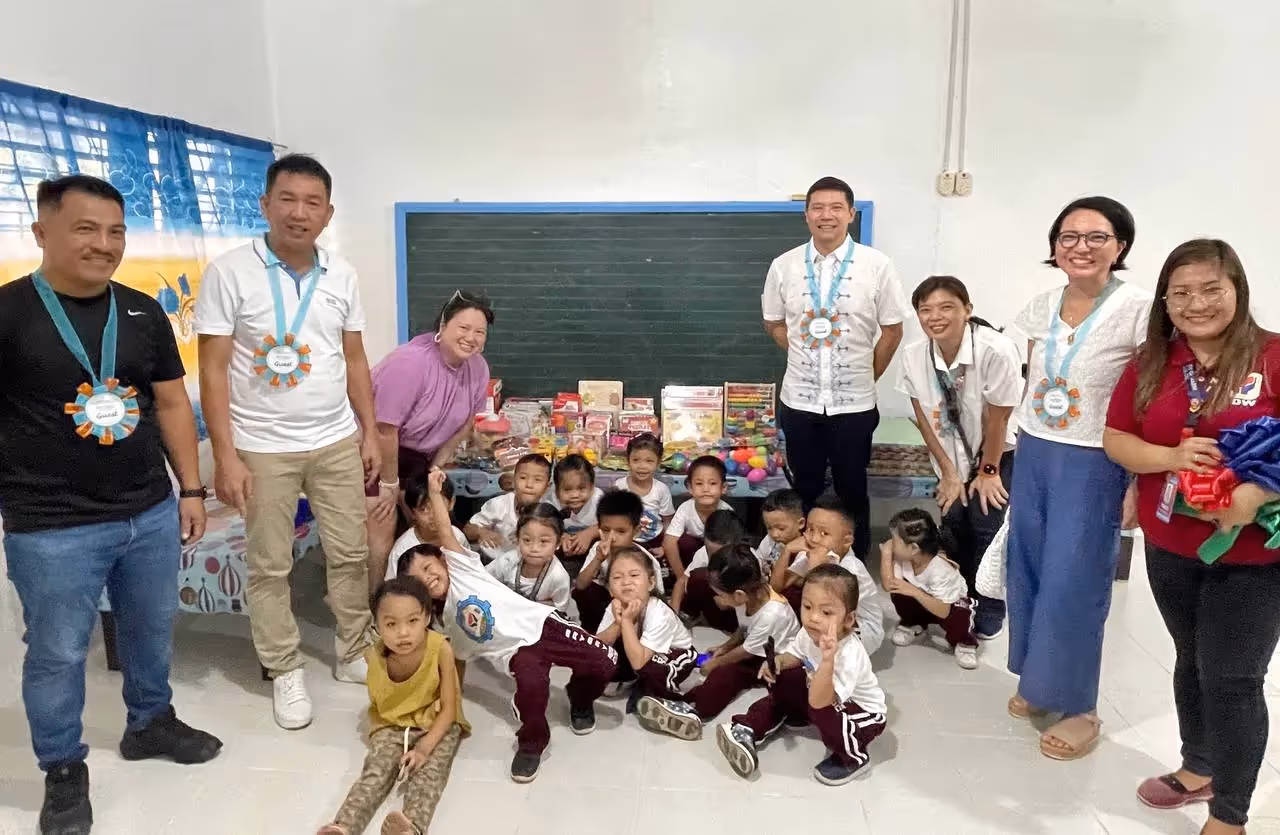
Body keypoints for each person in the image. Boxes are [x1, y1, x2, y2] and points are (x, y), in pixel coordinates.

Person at [0, 175, 221, 835]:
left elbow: (174, 402)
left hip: (148, 511)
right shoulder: (8, 315)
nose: (105, 244)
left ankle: (150, 721)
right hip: (51, 525)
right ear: (43, 233)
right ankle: (64, 770)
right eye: (86, 228)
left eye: (116, 231)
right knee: (59, 651)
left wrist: (193, 487)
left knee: (151, 629)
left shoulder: (142, 310)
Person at [196, 154, 379, 731]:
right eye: (288, 199)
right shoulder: (229, 272)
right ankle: (284, 666)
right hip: (263, 446)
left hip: (335, 441)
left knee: (349, 552)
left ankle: (352, 649)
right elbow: (213, 370)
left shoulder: (342, 274)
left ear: (328, 212)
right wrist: (225, 455)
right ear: (266, 205)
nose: (300, 213)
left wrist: (369, 431)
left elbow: (353, 357)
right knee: (270, 566)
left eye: (313, 203)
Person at [1104, 239, 1280, 835]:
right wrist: (1170, 454)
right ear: (1164, 300)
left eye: (1211, 289)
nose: (1196, 303)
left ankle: (1229, 815)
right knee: (1191, 660)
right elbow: (1117, 439)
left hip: (1256, 556)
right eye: (1180, 292)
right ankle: (1199, 765)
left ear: (1238, 290)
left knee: (1233, 678)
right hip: (1171, 543)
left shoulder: (1273, 357)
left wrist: (1258, 497)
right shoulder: (1153, 362)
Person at [1005, 196, 1152, 761]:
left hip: (1095, 460)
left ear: (1120, 245)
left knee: (1077, 580)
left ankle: (1080, 706)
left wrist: (1138, 477)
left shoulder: (1139, 309)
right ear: (1054, 247)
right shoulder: (1041, 304)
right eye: (1069, 237)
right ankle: (1040, 682)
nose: (1081, 247)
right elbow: (1031, 379)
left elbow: (1151, 394)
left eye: (1097, 236)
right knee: (1031, 568)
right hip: (1038, 450)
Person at [401, 469, 617, 783]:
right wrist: (449, 700)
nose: (427, 577)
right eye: (417, 578)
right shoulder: (436, 621)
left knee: (606, 661)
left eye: (428, 567)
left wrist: (435, 493)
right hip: (515, 654)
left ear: (443, 561)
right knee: (532, 688)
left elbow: (446, 531)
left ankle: (580, 698)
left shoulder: (463, 570)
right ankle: (532, 743)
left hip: (544, 625)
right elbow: (456, 659)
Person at [762, 175, 905, 560]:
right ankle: (806, 565)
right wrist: (798, 350)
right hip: (800, 401)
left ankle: (852, 565)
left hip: (854, 404)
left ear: (851, 214)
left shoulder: (877, 266)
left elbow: (893, 329)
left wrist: (865, 375)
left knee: (851, 489)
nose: (827, 215)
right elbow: (774, 321)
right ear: (806, 215)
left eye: (836, 207)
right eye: (818, 208)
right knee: (805, 488)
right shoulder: (784, 266)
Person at [896, 275, 1022, 639]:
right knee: (953, 528)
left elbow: (997, 418)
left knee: (988, 530)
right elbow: (922, 418)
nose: (936, 316)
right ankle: (957, 602)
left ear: (967, 309)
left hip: (996, 457)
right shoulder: (914, 355)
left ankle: (989, 611)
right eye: (926, 310)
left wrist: (987, 471)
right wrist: (949, 473)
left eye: (947, 307)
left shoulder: (995, 349)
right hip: (949, 459)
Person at [317, 576, 468, 835]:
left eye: (412, 621)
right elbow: (382, 702)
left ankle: (412, 828)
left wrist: (423, 748)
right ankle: (343, 827)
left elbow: (450, 709)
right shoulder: (374, 655)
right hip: (391, 723)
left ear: (427, 618)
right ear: (376, 626)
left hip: (437, 722)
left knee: (429, 775)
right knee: (374, 773)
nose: (403, 632)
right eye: (391, 624)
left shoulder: (440, 649)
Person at [716, 564, 887, 786]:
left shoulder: (849, 653)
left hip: (859, 711)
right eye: (807, 606)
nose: (813, 617)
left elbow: (823, 701)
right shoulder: (808, 633)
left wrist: (827, 660)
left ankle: (854, 758)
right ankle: (750, 727)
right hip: (819, 694)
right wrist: (778, 662)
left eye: (826, 612)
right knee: (785, 676)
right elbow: (795, 655)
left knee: (823, 711)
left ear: (848, 619)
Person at [367, 290, 493, 583]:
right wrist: (389, 484)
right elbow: (385, 429)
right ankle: (375, 602)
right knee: (383, 526)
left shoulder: (478, 368)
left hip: (417, 457)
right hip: (372, 449)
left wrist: (435, 469)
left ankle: (421, 599)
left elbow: (465, 423)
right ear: (443, 326)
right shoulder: (410, 363)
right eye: (463, 328)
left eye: (480, 332)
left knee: (428, 520)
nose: (471, 338)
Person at [636, 543, 800, 740]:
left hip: (775, 661)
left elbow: (746, 651)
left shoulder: (772, 614)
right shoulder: (749, 596)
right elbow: (744, 629)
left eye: (720, 595)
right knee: (715, 663)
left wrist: (715, 663)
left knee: (725, 674)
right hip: (756, 649)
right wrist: (724, 647)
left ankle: (696, 713)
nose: (717, 599)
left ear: (738, 595)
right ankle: (685, 702)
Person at [771, 495, 885, 655]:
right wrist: (787, 550)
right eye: (810, 530)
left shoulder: (852, 567)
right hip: (830, 616)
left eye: (824, 533)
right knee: (788, 597)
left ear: (846, 541)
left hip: (859, 628)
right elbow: (776, 587)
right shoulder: (814, 550)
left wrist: (816, 566)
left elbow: (825, 605)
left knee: (819, 612)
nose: (814, 538)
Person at [595, 546, 697, 711]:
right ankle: (639, 685)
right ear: (610, 589)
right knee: (603, 660)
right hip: (642, 651)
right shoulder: (614, 606)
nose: (626, 582)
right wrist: (618, 623)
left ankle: (674, 702)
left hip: (675, 655)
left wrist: (626, 621)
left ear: (650, 583)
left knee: (652, 670)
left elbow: (639, 662)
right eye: (617, 577)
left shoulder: (659, 612)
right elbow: (597, 645)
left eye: (634, 575)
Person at [880, 509, 979, 670]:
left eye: (894, 540)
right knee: (899, 591)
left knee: (960, 613)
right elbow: (888, 585)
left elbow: (944, 611)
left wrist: (914, 592)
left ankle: (965, 642)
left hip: (947, 605)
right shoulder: (903, 558)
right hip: (924, 602)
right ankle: (914, 623)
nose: (890, 544)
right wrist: (886, 554)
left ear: (913, 548)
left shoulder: (940, 569)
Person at [574, 490, 657, 632]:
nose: (612, 537)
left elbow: (654, 600)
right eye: (606, 530)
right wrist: (598, 559)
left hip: (633, 609)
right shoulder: (598, 548)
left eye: (621, 531)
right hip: (605, 603)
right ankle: (590, 634)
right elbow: (580, 585)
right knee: (586, 592)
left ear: (636, 531)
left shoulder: (645, 560)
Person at [463, 453, 552, 562]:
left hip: (528, 564)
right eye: (523, 477)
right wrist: (481, 532)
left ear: (547, 487)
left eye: (537, 480)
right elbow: (467, 530)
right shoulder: (498, 504)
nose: (529, 484)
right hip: (492, 561)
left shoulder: (549, 512)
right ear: (514, 481)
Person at [484, 503, 573, 612]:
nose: (534, 548)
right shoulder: (507, 561)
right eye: (527, 540)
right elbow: (483, 579)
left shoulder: (559, 577)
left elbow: (559, 611)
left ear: (558, 542)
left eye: (543, 541)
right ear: (517, 538)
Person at [664, 455, 733, 594]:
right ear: (690, 487)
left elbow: (729, 549)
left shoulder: (726, 512)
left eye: (712, 483)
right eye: (699, 483)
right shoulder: (685, 508)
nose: (706, 489)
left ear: (723, 488)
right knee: (684, 541)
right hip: (692, 552)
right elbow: (669, 543)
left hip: (715, 554)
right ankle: (681, 577)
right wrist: (681, 576)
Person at [385, 474, 473, 579]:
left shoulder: (457, 536)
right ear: (413, 513)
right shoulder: (402, 549)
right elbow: (395, 589)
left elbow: (469, 572)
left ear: (451, 503)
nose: (433, 515)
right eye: (423, 509)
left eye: (437, 505)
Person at [676, 509, 746, 632]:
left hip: (739, 614)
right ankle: (690, 616)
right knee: (697, 577)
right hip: (716, 607)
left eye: (722, 555)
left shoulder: (748, 561)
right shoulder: (702, 554)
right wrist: (673, 614)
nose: (715, 559)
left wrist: (731, 604)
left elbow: (755, 603)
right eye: (711, 554)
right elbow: (682, 582)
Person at [619, 433, 675, 548]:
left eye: (649, 461)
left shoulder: (661, 489)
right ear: (628, 461)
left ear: (658, 463)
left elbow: (667, 521)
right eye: (636, 460)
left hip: (655, 540)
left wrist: (664, 546)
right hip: (627, 541)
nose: (642, 466)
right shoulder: (619, 486)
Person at [549, 454, 604, 558]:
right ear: (556, 491)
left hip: (595, 555)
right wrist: (560, 536)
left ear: (592, 487)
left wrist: (590, 533)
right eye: (567, 490)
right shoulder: (553, 503)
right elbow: (546, 526)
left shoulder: (599, 500)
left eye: (581, 488)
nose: (575, 495)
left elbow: (612, 525)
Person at [755, 488, 806, 574]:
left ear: (800, 523)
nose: (774, 535)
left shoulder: (805, 550)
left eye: (781, 528)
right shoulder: (768, 541)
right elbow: (757, 564)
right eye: (769, 528)